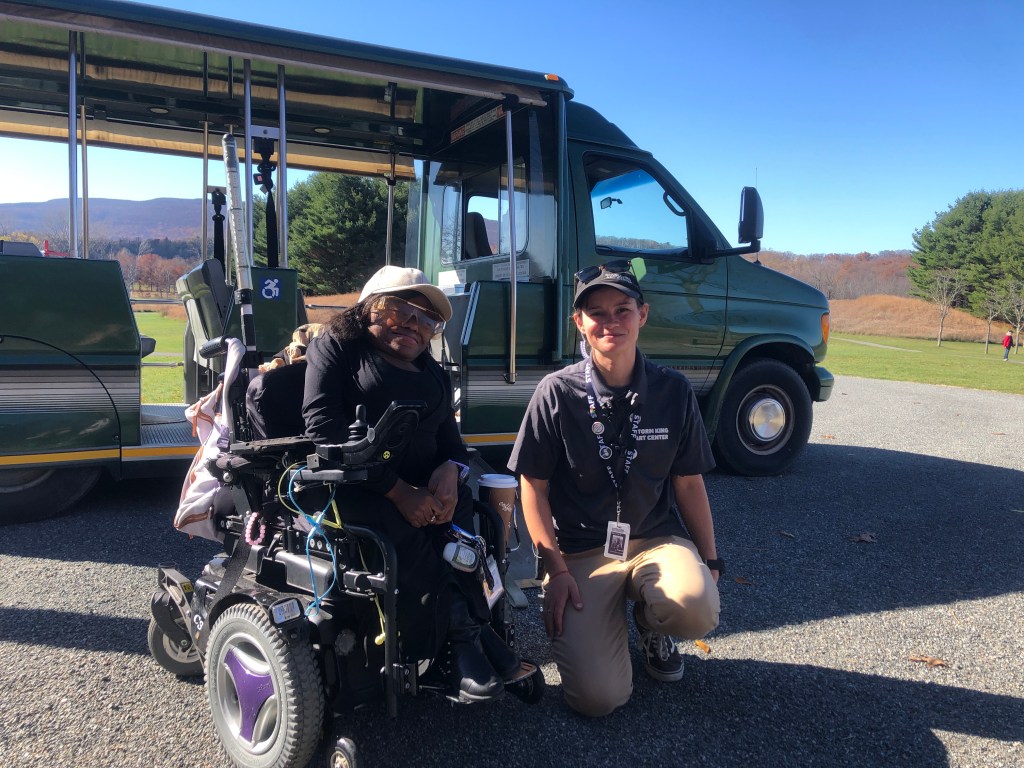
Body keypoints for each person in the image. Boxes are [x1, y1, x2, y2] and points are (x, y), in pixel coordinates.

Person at [508, 262, 721, 717]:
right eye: (596, 312)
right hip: (583, 551)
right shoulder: (556, 393)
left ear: (642, 314)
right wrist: (556, 569)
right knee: (598, 699)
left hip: (655, 539)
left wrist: (711, 557)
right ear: (579, 322)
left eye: (622, 309)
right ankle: (600, 628)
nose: (611, 322)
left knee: (697, 608)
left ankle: (651, 625)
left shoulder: (673, 391)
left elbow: (688, 482)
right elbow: (533, 487)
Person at [302, 265, 517, 702]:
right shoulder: (339, 348)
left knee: (464, 530)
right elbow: (322, 427)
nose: (414, 325)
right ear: (367, 310)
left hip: (428, 489)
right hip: (360, 485)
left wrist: (452, 473)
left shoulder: (431, 371)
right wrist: (400, 492)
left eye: (427, 320)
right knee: (411, 537)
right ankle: (455, 643)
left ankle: (470, 631)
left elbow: (452, 443)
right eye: (399, 310)